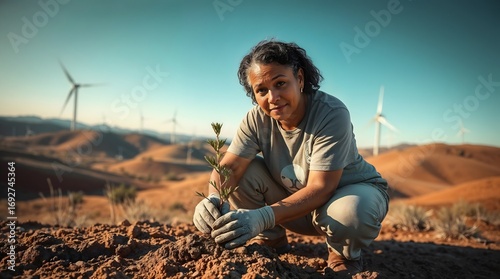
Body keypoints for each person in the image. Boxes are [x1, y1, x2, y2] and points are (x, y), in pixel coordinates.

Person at [193, 39, 389, 276]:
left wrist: (262, 217)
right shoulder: (256, 119)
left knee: (352, 212)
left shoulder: (331, 113)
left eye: (280, 83)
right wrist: (213, 198)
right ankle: (271, 241)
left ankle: (342, 254)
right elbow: (231, 168)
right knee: (244, 173)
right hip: (296, 205)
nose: (273, 97)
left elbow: (322, 187)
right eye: (261, 90)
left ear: (300, 79)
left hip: (341, 197)